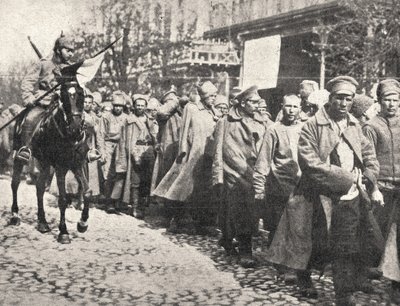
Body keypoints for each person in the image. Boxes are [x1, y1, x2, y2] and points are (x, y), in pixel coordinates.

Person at [266, 76, 380, 305]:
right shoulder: (311, 125)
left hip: (350, 196)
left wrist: (367, 176)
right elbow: (310, 163)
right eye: (339, 98)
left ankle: (343, 293)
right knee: (312, 243)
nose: (344, 103)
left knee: (346, 246)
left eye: (348, 99)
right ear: (331, 98)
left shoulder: (354, 125)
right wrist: (346, 178)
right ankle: (304, 278)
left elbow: (369, 156)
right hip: (316, 195)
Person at [212, 85, 272, 267]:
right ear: (243, 103)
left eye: (258, 102)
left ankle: (227, 238)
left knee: (246, 212)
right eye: (253, 102)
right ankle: (245, 250)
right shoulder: (226, 122)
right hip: (234, 173)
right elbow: (217, 151)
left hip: (254, 172)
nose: (256, 105)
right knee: (240, 211)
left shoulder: (262, 122)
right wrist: (217, 176)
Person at [152, 81, 219, 233]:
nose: (214, 99)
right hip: (191, 153)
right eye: (211, 96)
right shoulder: (191, 108)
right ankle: (179, 220)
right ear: (204, 96)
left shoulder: (212, 112)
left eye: (216, 96)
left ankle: (202, 223)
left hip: (206, 155)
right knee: (182, 187)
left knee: (202, 189)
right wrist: (183, 149)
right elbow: (184, 130)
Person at [362, 79, 400, 304]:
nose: (392, 104)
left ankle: (396, 283)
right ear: (380, 101)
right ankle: (365, 270)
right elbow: (368, 160)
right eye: (388, 99)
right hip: (381, 188)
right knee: (376, 234)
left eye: (396, 100)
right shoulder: (372, 126)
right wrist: (373, 187)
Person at [15, 34, 75, 162]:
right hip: (44, 102)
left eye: (72, 51)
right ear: (58, 50)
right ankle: (25, 150)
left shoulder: (71, 68)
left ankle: (85, 151)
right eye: (68, 50)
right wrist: (29, 97)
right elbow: (27, 81)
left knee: (83, 121)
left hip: (64, 104)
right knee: (30, 119)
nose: (71, 54)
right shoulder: (43, 64)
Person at [114, 95, 158, 218]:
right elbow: (125, 139)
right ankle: (134, 207)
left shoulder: (150, 119)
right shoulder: (129, 120)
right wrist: (133, 152)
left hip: (149, 149)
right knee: (136, 179)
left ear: (145, 107)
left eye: (142, 105)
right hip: (136, 149)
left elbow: (155, 135)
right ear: (134, 106)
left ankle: (142, 207)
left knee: (147, 179)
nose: (140, 107)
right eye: (138, 105)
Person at [97, 91, 128, 209]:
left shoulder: (126, 118)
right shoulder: (106, 117)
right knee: (107, 173)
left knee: (120, 173)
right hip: (108, 145)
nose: (118, 108)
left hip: (121, 146)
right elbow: (100, 135)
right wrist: (102, 152)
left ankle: (117, 200)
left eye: (120, 106)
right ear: (112, 106)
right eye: (116, 106)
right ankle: (108, 201)